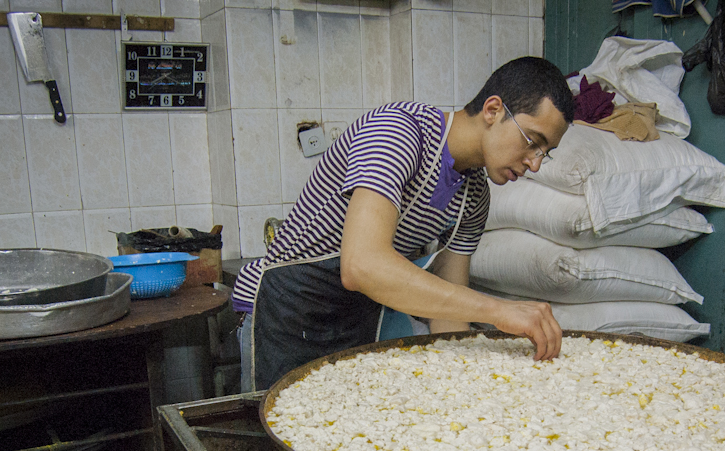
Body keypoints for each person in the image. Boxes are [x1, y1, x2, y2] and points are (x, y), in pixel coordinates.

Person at [231, 56, 575, 391]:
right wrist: (498, 311)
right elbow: (361, 265)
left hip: (355, 321)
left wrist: (466, 386)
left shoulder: (474, 197)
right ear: (493, 110)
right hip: (286, 312)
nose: (535, 164)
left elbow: (447, 317)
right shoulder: (398, 131)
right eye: (532, 141)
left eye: (544, 153)